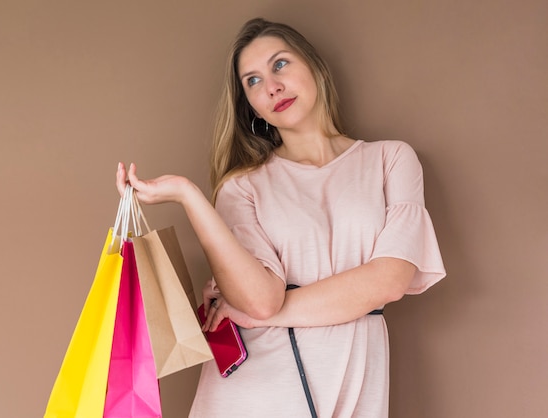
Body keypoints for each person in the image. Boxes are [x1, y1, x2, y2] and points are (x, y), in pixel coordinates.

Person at [116, 17, 445, 418]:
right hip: (256, 391)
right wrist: (189, 195)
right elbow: (259, 299)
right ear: (250, 104)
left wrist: (263, 312)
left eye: (280, 64)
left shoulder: (390, 160)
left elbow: (390, 280)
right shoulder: (243, 187)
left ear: (315, 68)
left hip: (352, 376)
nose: (271, 86)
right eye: (252, 81)